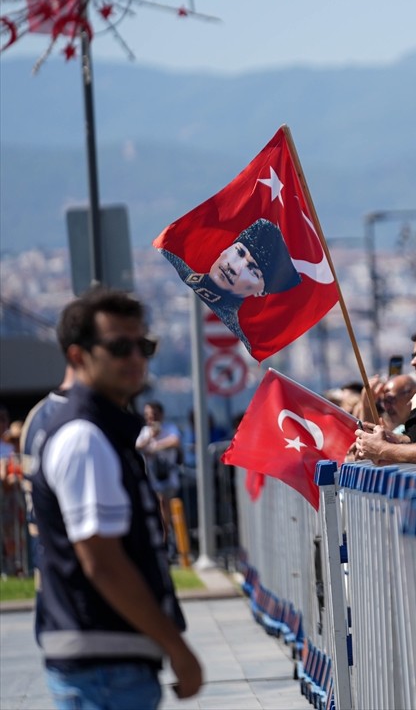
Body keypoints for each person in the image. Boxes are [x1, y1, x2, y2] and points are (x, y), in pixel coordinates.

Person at [31, 288, 202, 707]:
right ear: (78, 356)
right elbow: (102, 563)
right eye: (118, 347)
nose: (134, 359)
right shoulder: (85, 436)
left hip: (111, 661)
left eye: (143, 346)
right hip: (102, 666)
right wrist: (177, 649)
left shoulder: (107, 431)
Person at [161, 218, 301, 350]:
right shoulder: (179, 263)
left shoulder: (239, 329)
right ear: (226, 249)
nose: (235, 268)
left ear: (261, 292)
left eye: (252, 270)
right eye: (239, 252)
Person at [136, 401, 183, 559]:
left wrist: (156, 446)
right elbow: (138, 446)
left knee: (166, 506)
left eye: (154, 415)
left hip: (168, 481)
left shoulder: (169, 429)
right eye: (148, 416)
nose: (151, 419)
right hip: (152, 481)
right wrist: (151, 436)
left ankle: (169, 542)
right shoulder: (145, 432)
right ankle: (163, 542)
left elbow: (175, 441)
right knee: (157, 512)